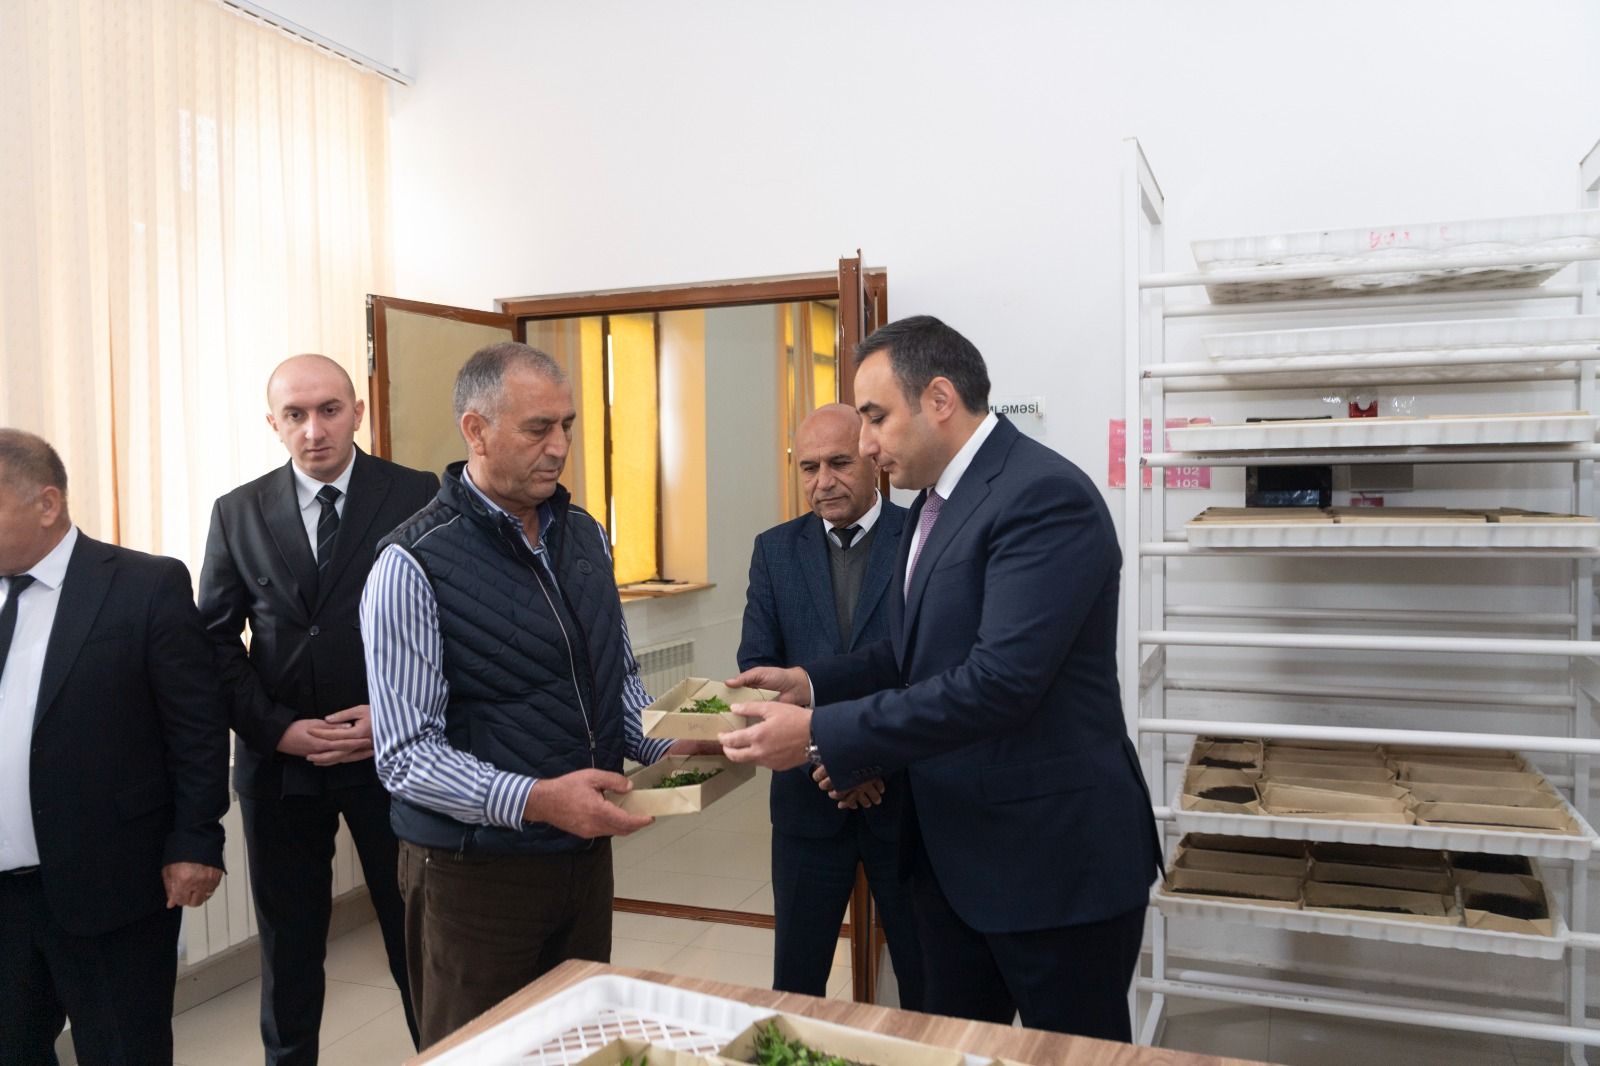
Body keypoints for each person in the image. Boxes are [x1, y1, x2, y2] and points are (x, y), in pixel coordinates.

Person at [722, 316, 1161, 1041]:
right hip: (954, 862)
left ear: (938, 399)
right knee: (949, 1050)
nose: (866, 444)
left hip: (1051, 864)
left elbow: (997, 683)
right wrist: (811, 683)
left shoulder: (1042, 496)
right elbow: (912, 653)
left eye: (875, 418)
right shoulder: (934, 505)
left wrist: (821, 732)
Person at [359, 341, 713, 1047]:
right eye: (537, 428)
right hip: (474, 875)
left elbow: (613, 683)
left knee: (577, 1045)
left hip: (580, 857)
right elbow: (405, 757)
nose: (559, 448)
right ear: (476, 430)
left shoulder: (585, 536)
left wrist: (668, 742)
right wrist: (538, 800)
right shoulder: (411, 563)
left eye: (567, 426)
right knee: (483, 1053)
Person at [198, 354, 435, 1064]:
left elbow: (448, 624)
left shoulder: (418, 494)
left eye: (329, 410)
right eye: (295, 415)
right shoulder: (237, 511)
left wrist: (393, 715)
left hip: (393, 755)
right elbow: (214, 643)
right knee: (289, 947)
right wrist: (279, 730)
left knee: (417, 935)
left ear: (357, 412)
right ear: (273, 424)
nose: (313, 430)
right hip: (281, 766)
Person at [0, 429, 229, 1066]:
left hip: (111, 882)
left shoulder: (143, 585)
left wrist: (196, 839)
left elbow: (196, 727)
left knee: (124, 1051)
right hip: (4, 902)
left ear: (47, 504)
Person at [736, 403, 923, 1008]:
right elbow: (758, 670)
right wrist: (829, 759)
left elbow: (926, 667)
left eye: (839, 463)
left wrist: (862, 758)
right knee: (796, 985)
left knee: (926, 979)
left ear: (872, 459)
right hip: (808, 803)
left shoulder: (920, 537)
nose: (824, 481)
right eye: (809, 467)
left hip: (903, 800)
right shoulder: (774, 550)